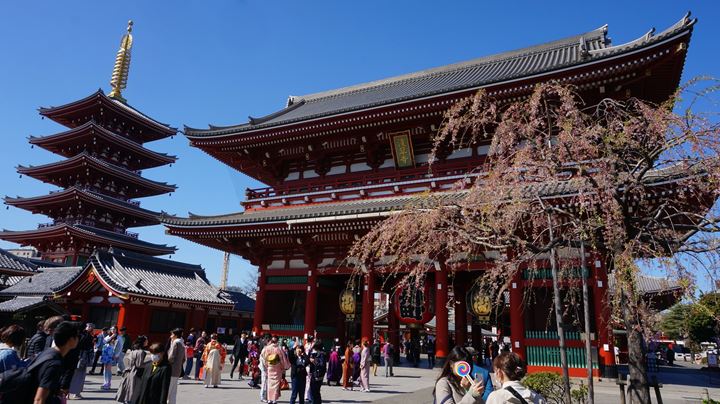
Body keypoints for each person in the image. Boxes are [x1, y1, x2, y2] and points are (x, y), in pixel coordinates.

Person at [17, 321, 80, 404]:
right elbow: (39, 399)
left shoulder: (47, 352)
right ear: (71, 339)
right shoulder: (54, 364)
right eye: (77, 336)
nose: (79, 339)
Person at [116, 335, 149, 404]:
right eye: (146, 340)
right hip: (136, 374)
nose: (147, 342)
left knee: (127, 393)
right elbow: (139, 365)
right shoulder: (141, 352)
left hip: (128, 373)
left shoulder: (133, 351)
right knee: (134, 393)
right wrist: (149, 363)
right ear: (143, 342)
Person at [67, 323, 95, 399]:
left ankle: (71, 392)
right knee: (78, 375)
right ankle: (74, 393)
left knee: (76, 375)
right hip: (81, 356)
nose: (89, 327)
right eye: (88, 326)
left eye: (90, 326)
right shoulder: (85, 336)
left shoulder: (82, 335)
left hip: (79, 356)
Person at [261, 336, 291, 404]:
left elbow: (264, 357)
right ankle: (274, 399)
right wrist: (285, 367)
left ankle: (269, 399)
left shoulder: (267, 348)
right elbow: (283, 359)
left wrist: (266, 365)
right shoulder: (279, 348)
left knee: (270, 384)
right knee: (276, 385)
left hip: (270, 367)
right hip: (277, 367)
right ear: (277, 341)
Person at [166, 328, 185, 402]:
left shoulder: (175, 343)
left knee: (168, 389)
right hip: (178, 369)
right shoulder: (182, 343)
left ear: (176, 335)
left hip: (171, 368)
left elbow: (171, 357)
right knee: (173, 391)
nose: (171, 336)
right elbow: (184, 358)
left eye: (172, 334)